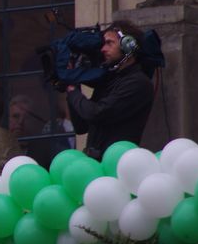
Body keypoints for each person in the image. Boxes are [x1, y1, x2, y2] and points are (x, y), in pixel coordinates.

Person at [66, 21, 155, 160]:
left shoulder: (138, 83)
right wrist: (73, 84)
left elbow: (97, 113)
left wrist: (73, 91)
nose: (103, 49)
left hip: (116, 164)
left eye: (109, 43)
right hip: (95, 164)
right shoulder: (108, 80)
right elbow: (81, 126)